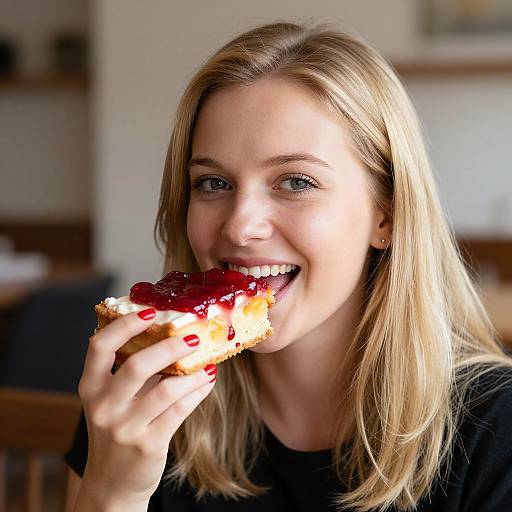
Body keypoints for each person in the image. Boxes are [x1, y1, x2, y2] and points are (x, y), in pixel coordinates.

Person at [65, 21, 512, 512]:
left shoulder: (497, 433)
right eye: (212, 183)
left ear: (385, 215)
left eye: (296, 182)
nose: (240, 227)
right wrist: (112, 493)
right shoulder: (134, 402)